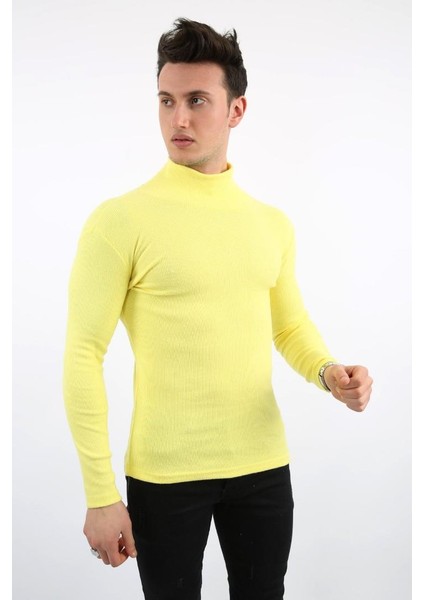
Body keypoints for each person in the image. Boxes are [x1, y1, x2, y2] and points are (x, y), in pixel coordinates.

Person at [63, 17, 373, 600]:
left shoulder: (270, 224)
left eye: (197, 100)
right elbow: (83, 354)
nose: (178, 119)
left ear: (236, 110)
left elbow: (289, 325)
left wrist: (328, 371)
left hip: (263, 467)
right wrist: (100, 494)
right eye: (167, 100)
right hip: (165, 474)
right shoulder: (119, 222)